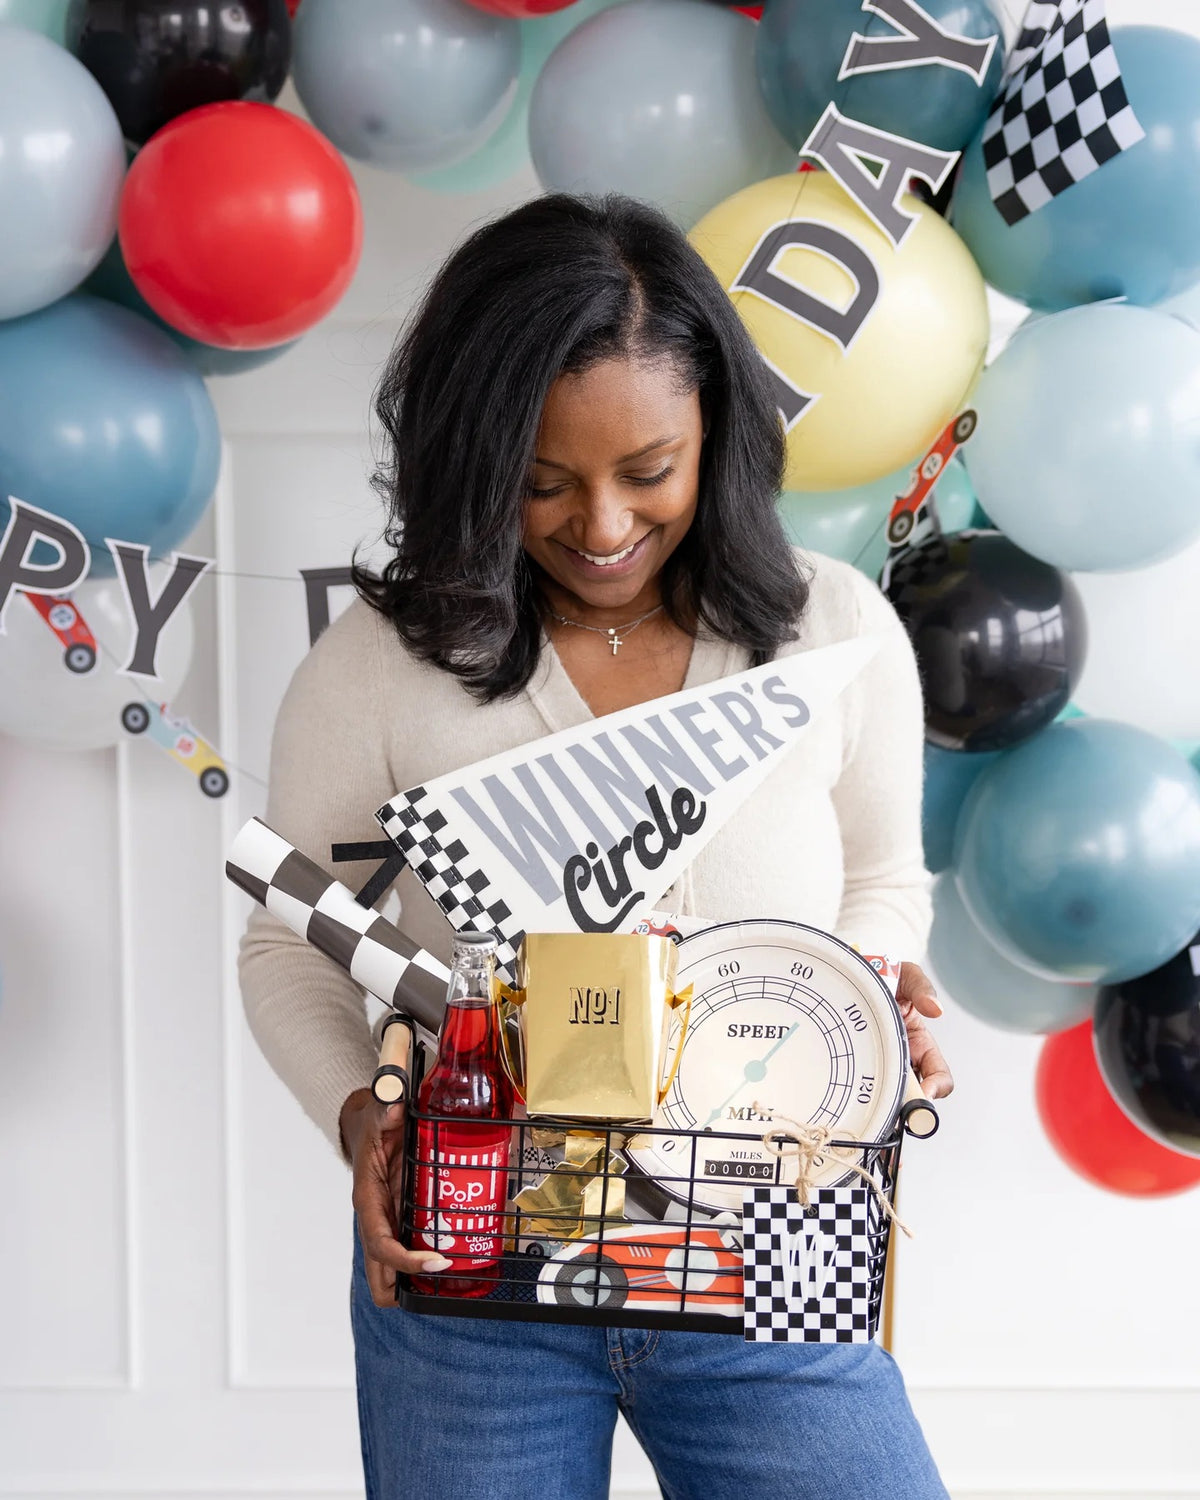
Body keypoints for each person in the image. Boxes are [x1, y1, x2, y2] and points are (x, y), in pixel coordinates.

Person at [239, 192, 954, 1500]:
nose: (604, 526)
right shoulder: (381, 667)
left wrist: (862, 1001)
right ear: (470, 455)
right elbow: (294, 938)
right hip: (471, 1267)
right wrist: (363, 1118)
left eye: (648, 472)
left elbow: (883, 884)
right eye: (544, 481)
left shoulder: (832, 628)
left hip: (773, 1240)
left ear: (716, 440)